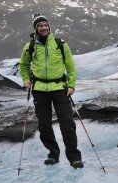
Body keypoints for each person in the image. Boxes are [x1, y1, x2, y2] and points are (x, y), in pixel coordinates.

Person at [19, 13, 83, 169]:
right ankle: (53, 154)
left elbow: (70, 66)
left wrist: (71, 85)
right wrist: (26, 78)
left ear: (49, 27)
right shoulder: (30, 47)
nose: (43, 27)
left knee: (67, 123)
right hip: (39, 89)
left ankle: (74, 157)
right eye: (40, 26)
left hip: (59, 88)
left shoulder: (60, 44)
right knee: (44, 125)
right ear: (36, 29)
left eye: (45, 25)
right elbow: (23, 65)